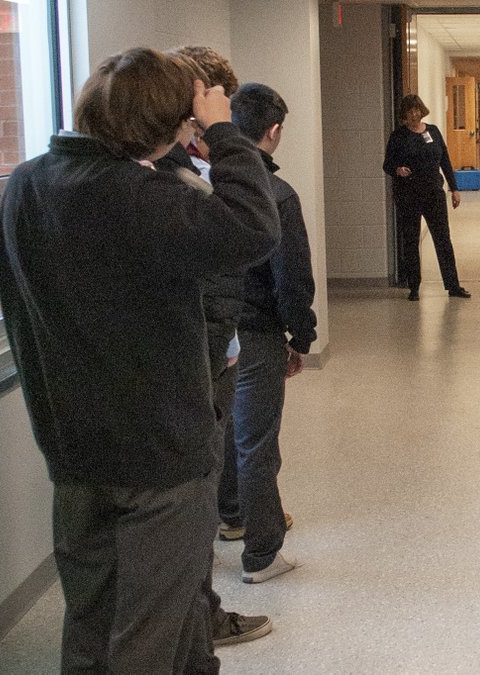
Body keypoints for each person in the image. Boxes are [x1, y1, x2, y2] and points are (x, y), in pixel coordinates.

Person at [0, 48, 279, 671]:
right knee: (153, 635)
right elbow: (255, 226)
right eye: (185, 122)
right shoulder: (139, 195)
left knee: (94, 624)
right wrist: (225, 131)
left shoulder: (27, 184)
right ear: (166, 122)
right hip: (158, 463)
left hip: (74, 453)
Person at [157, 46, 273, 648]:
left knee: (201, 504)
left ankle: (201, 618)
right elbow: (256, 227)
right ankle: (195, 624)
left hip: (216, 350)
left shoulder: (189, 166)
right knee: (189, 510)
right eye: (209, 107)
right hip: (193, 364)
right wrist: (224, 135)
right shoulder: (167, 176)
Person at [218, 82, 318, 585]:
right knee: (257, 442)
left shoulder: (203, 183)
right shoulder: (276, 195)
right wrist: (300, 339)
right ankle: (262, 553)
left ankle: (232, 515)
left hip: (211, 334)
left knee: (223, 430)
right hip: (256, 335)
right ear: (274, 131)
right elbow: (292, 278)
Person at [382, 94, 470, 301]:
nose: (414, 114)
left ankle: (453, 285)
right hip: (408, 195)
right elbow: (387, 164)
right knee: (411, 240)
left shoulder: (433, 132)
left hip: (433, 193)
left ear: (422, 110)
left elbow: (445, 161)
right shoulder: (398, 136)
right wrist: (397, 169)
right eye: (410, 111)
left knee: (443, 239)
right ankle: (414, 286)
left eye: (417, 110)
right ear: (404, 114)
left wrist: (454, 189)